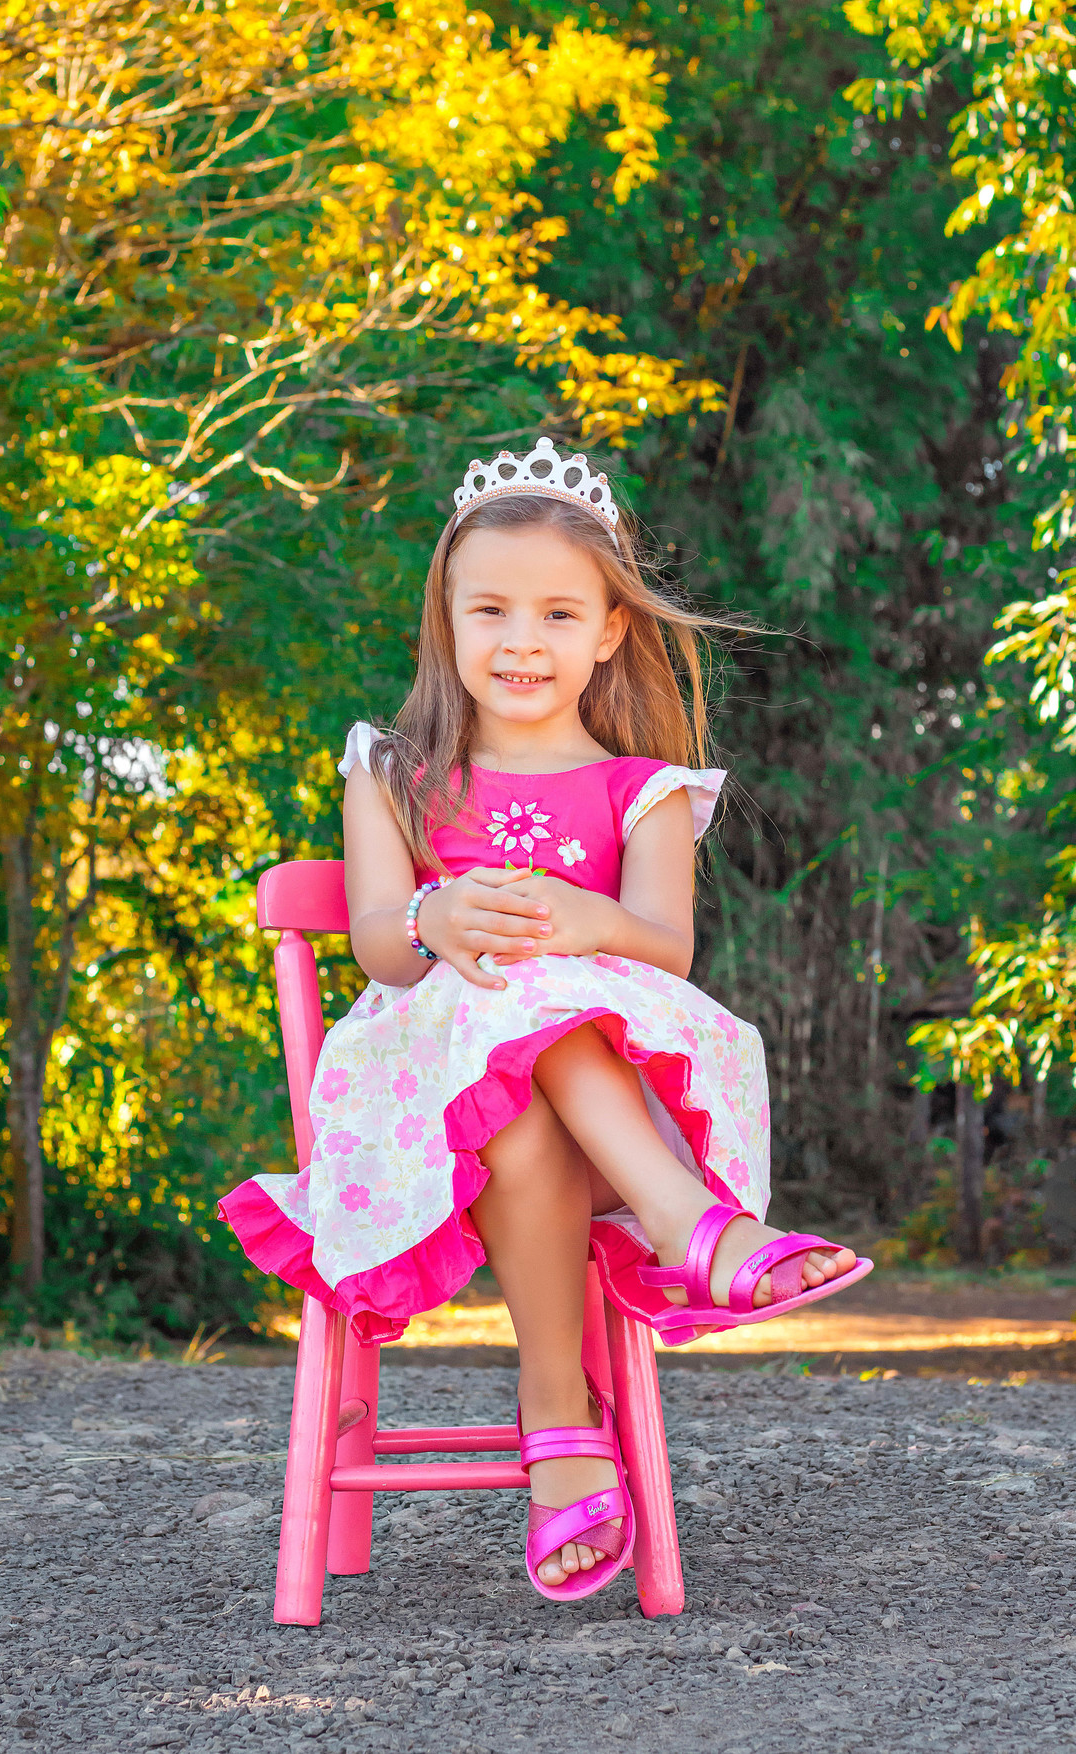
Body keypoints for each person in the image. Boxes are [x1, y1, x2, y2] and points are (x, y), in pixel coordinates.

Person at [219, 436, 871, 1602]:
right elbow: (374, 937)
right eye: (493, 610)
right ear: (449, 621)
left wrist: (580, 914)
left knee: (539, 1025)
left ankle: (564, 1426)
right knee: (509, 1015)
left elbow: (665, 948)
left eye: (561, 612)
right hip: (417, 1116)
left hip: (597, 1113)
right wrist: (437, 909)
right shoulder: (397, 770)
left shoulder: (646, 789)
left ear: (612, 629)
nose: (523, 639)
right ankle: (694, 1244)